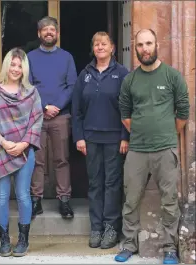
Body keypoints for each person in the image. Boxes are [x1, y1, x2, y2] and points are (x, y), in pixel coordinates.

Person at [114, 29, 190, 264]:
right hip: (137, 150)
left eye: (148, 43)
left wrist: (166, 133)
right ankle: (128, 244)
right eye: (140, 45)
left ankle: (169, 248)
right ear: (135, 48)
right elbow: (125, 114)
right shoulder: (130, 80)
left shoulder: (172, 76)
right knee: (131, 199)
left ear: (157, 44)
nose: (144, 48)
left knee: (169, 201)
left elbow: (183, 111)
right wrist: (142, 132)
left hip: (165, 149)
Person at [0, 48, 43, 257]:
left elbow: (36, 121)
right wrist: (3, 142)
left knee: (23, 195)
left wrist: (23, 144)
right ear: (7, 66)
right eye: (12, 65)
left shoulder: (32, 93)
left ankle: (23, 240)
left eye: (19, 66)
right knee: (2, 197)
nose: (16, 69)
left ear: (25, 69)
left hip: (24, 151)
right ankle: (4, 240)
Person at [72, 32, 129, 249]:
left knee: (112, 184)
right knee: (95, 184)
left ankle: (111, 227)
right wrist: (79, 137)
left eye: (104, 43)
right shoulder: (84, 74)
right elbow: (76, 109)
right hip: (91, 139)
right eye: (96, 44)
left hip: (115, 139)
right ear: (93, 48)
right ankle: (96, 227)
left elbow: (127, 108)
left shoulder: (122, 74)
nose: (100, 47)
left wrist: (125, 136)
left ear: (112, 47)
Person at [27, 16, 77, 219]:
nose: (49, 33)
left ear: (57, 34)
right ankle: (35, 200)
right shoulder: (30, 57)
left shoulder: (66, 57)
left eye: (52, 30)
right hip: (37, 116)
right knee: (37, 160)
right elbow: (27, 86)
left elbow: (72, 85)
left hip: (60, 116)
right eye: (45, 30)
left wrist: (57, 106)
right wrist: (43, 107)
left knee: (62, 159)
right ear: (39, 34)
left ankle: (64, 200)